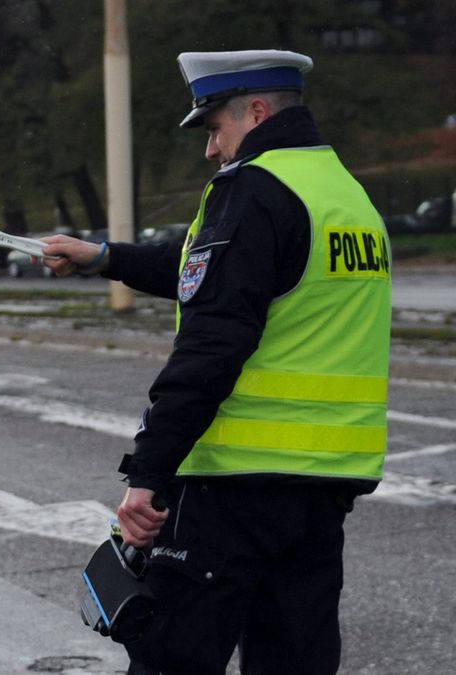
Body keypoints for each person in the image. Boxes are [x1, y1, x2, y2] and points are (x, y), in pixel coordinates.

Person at [42, 50, 391, 674]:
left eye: (214, 127)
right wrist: (105, 257)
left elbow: (211, 344)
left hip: (233, 486)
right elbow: (214, 269)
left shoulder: (253, 189)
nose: (211, 149)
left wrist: (147, 475)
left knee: (171, 661)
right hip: (323, 487)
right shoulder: (344, 195)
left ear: (255, 112)